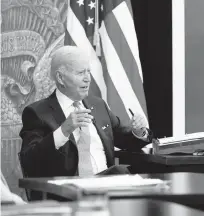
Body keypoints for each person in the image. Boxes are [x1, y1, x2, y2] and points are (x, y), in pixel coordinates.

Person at [19, 46, 150, 186]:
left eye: (88, 72)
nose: (88, 79)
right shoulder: (37, 112)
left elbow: (124, 139)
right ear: (60, 77)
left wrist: (138, 132)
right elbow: (29, 160)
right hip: (67, 191)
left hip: (108, 186)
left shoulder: (98, 105)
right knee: (121, 172)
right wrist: (63, 131)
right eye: (81, 73)